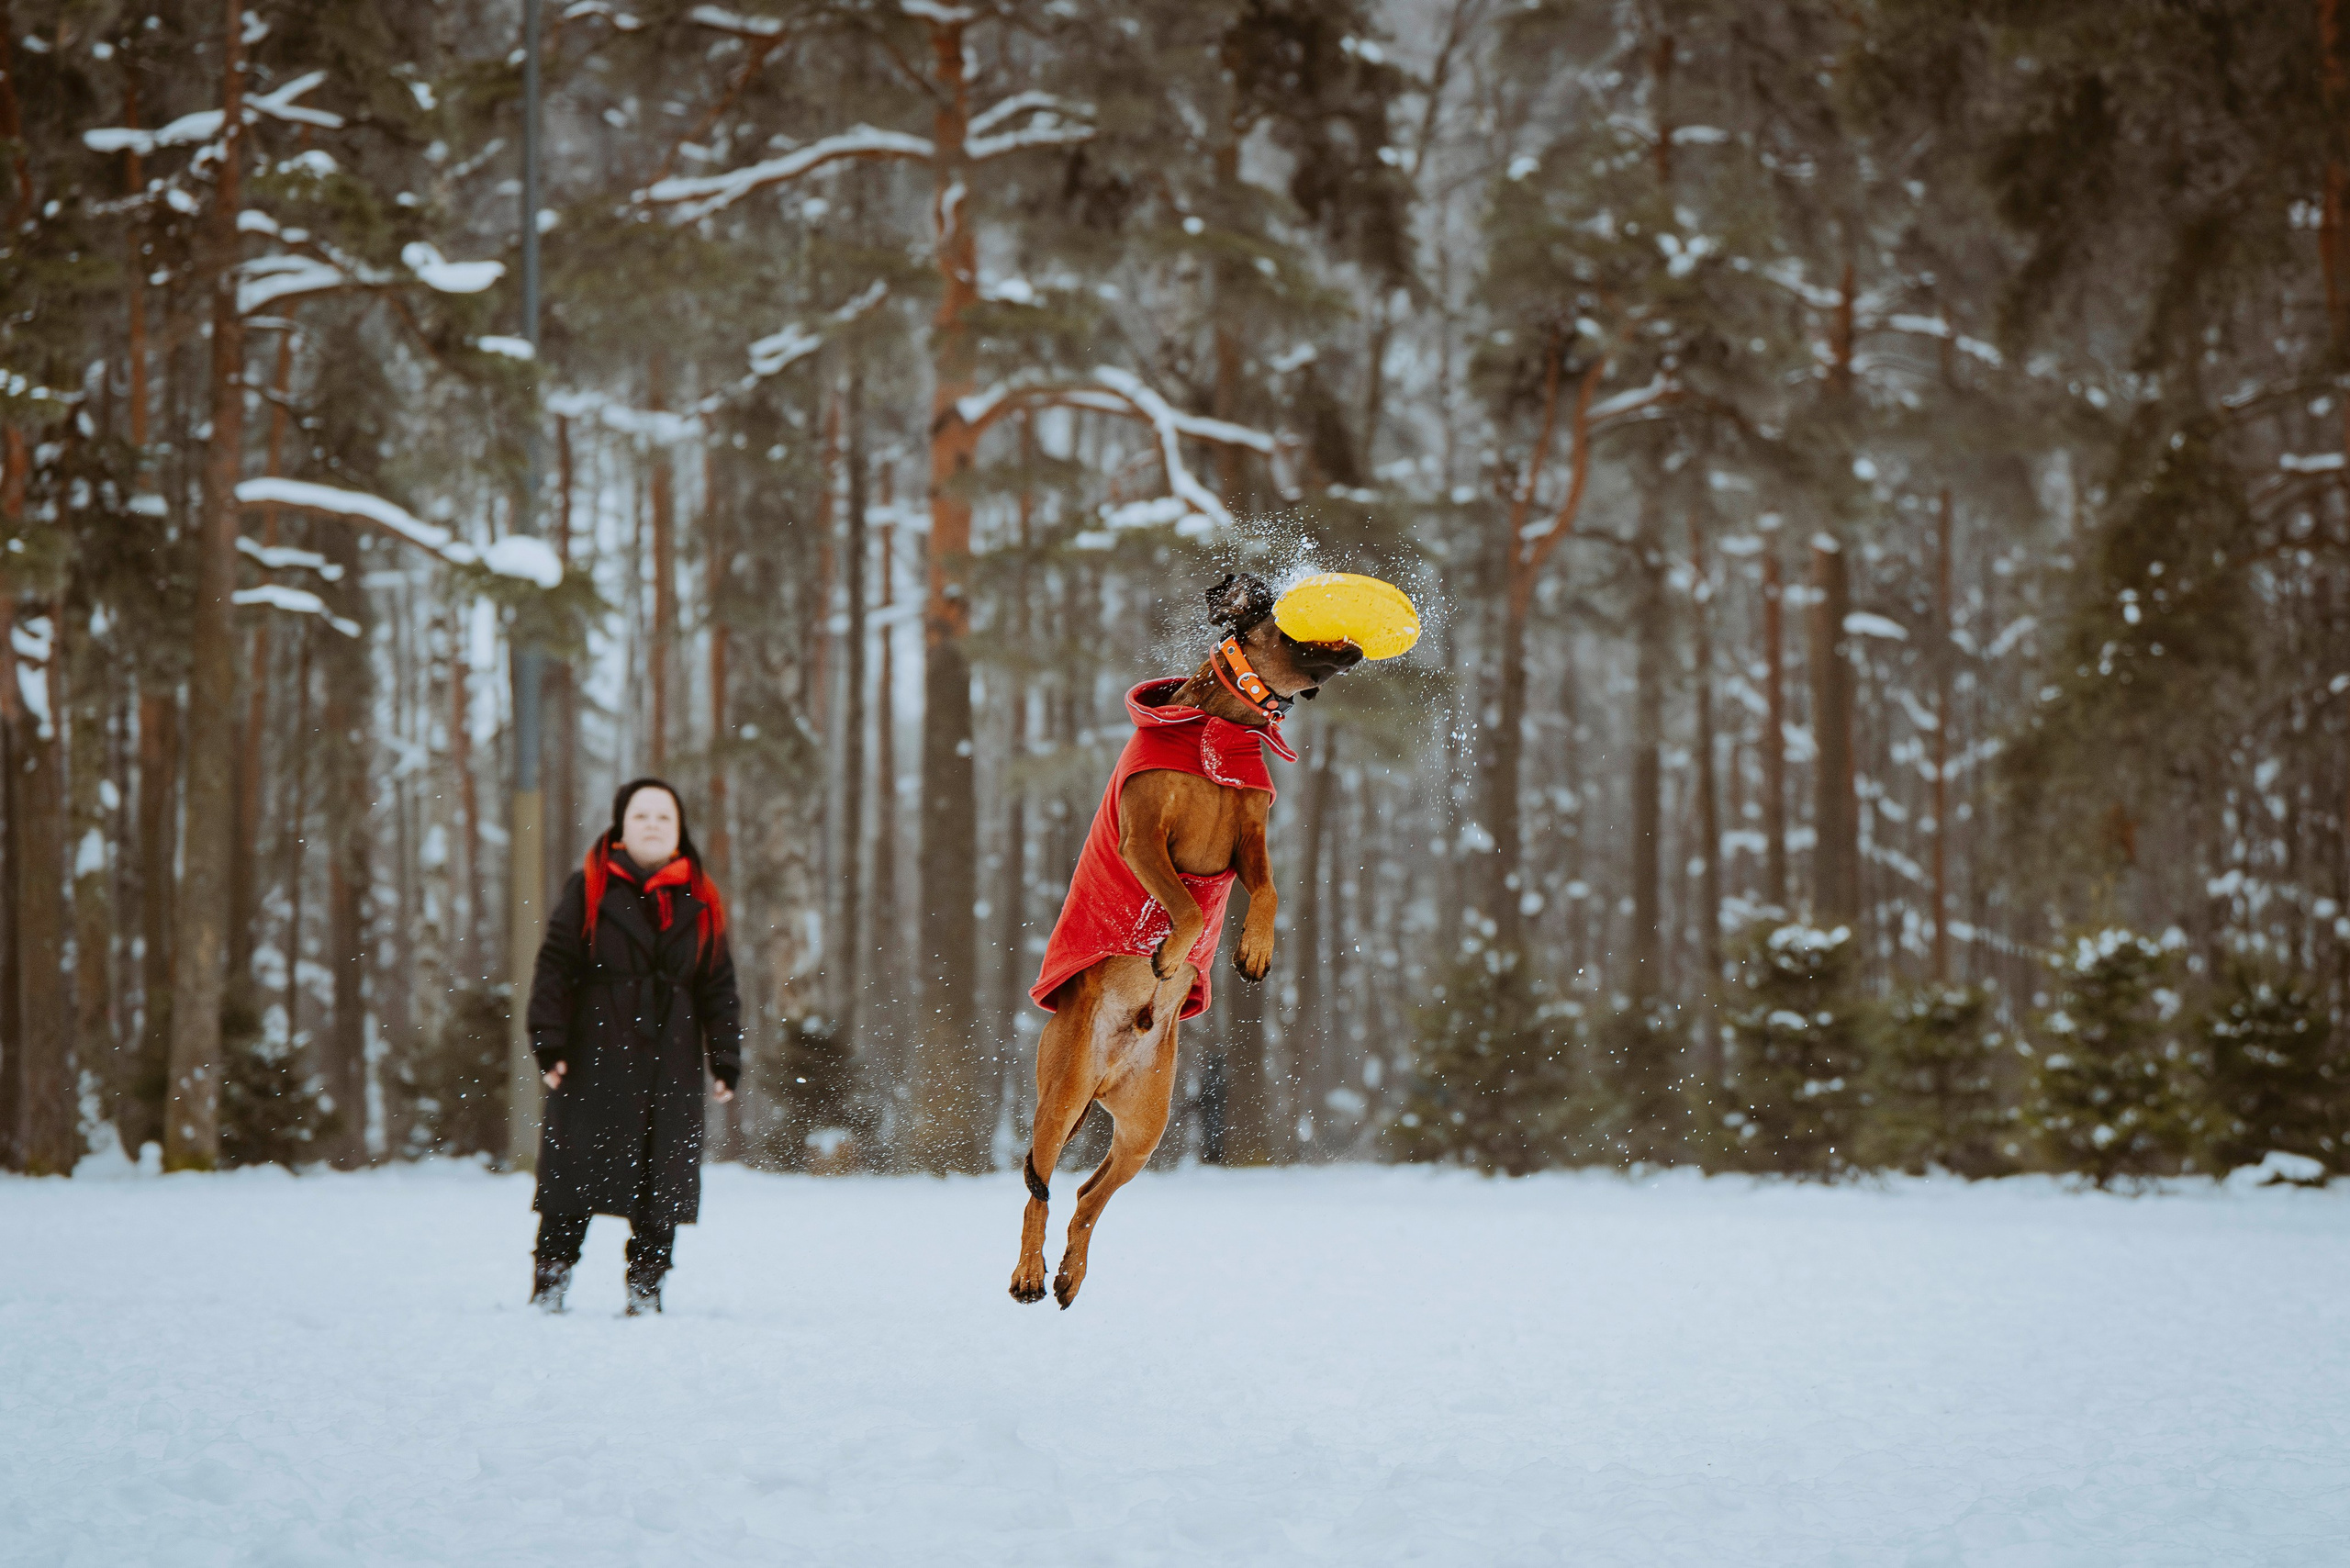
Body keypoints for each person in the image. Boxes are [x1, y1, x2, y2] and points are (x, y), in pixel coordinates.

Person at [525, 778, 742, 1316]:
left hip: (671, 1058)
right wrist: (549, 1043)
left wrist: (726, 1059)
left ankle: (647, 1288)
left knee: (661, 1178)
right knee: (573, 1175)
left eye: (663, 817)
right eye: (641, 815)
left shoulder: (702, 898)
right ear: (621, 826)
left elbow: (718, 985)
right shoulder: (590, 886)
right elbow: (555, 967)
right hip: (595, 1048)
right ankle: (550, 1281)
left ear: (678, 831)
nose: (652, 825)